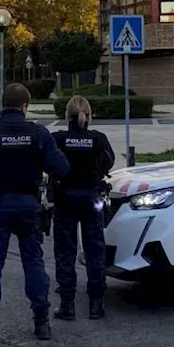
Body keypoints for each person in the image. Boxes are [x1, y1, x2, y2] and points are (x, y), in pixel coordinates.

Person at [0, 83, 70, 347]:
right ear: (25, 107)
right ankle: (41, 321)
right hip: (29, 207)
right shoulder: (38, 133)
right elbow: (62, 168)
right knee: (33, 262)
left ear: (2, 106)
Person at [49, 96, 114, 322]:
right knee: (95, 249)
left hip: (65, 197)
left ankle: (67, 305)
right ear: (89, 115)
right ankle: (96, 304)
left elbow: (47, 163)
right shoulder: (98, 139)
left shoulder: (57, 138)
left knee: (65, 251)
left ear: (67, 116)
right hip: (92, 197)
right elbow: (109, 163)